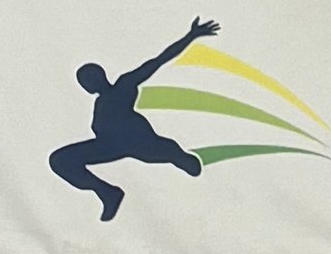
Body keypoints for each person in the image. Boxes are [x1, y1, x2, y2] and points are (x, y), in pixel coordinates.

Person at [47, 17, 220, 220]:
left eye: (89, 78)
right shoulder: (100, 104)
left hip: (140, 142)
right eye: (83, 81)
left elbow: (158, 61)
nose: (86, 84)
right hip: (110, 145)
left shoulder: (123, 86)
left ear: (100, 76)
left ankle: (177, 155)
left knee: (181, 159)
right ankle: (107, 192)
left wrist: (190, 36)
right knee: (60, 160)